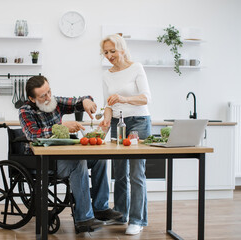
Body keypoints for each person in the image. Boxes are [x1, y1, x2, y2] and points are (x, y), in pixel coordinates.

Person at [18, 75, 122, 232]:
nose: (48, 97)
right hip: (43, 161)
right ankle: (84, 219)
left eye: (49, 92)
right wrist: (60, 125)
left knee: (99, 158)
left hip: (62, 156)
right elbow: (33, 134)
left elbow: (77, 102)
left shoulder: (55, 102)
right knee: (78, 163)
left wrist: (87, 101)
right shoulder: (25, 111)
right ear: (32, 99)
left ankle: (100, 207)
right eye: (43, 95)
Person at [99, 34, 152, 235]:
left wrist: (124, 98)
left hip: (138, 122)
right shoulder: (107, 75)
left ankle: (138, 219)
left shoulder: (136, 67)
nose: (109, 55)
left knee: (136, 173)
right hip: (116, 123)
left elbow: (146, 98)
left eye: (113, 51)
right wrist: (104, 125)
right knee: (120, 173)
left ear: (122, 49)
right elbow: (108, 105)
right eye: (106, 52)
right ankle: (121, 214)